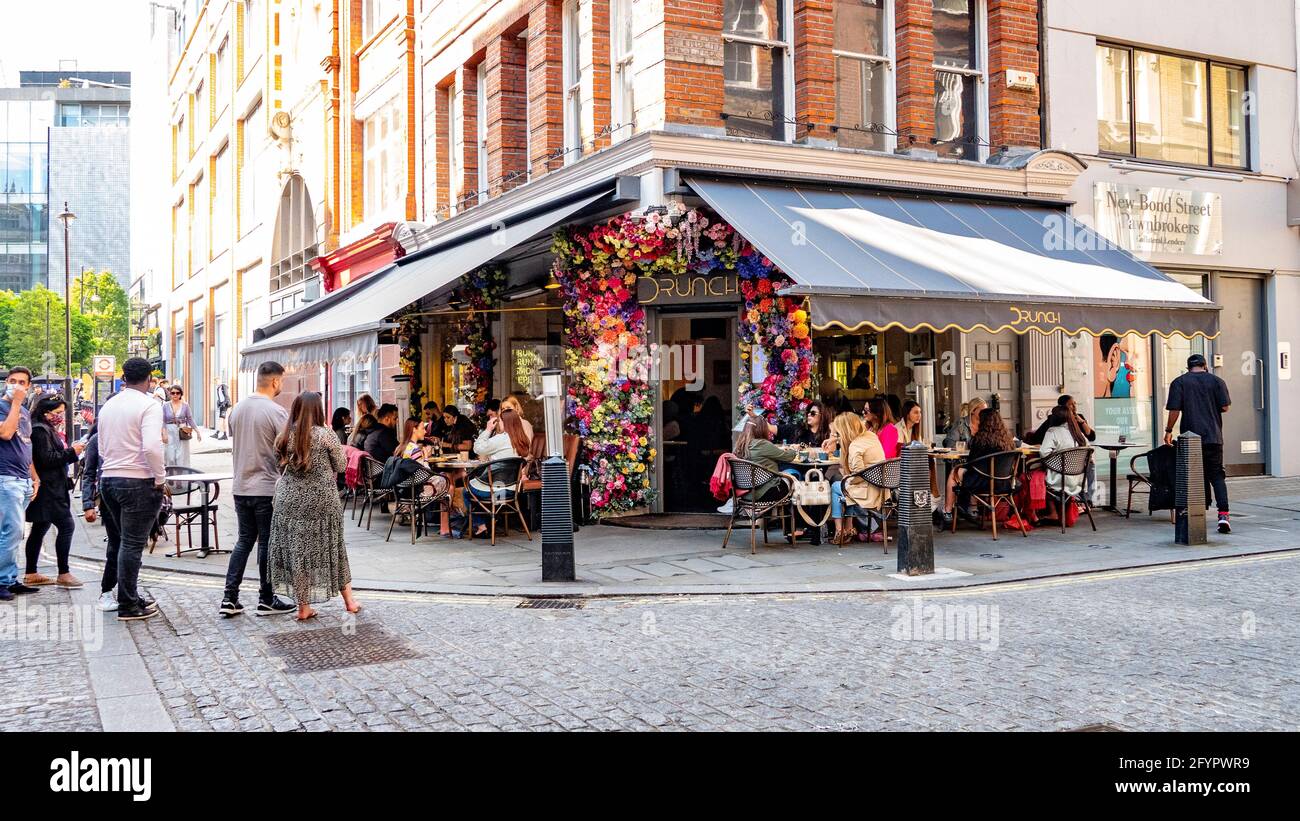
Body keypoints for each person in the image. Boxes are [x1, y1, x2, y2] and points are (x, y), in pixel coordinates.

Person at [267, 391, 360, 621]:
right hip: (322, 503)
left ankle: (303, 607)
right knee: (334, 548)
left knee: (299, 554)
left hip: (289, 503)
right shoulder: (325, 434)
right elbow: (340, 465)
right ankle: (349, 601)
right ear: (318, 410)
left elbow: (279, 466)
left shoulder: (284, 435)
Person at [219, 361, 297, 617]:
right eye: (282, 382)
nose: (281, 386)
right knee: (266, 542)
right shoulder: (276, 412)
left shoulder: (237, 409)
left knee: (243, 541)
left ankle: (230, 598)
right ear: (275, 381)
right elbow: (288, 449)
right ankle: (266, 598)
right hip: (265, 487)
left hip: (240, 486)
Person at [96, 357, 166, 620]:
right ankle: (127, 603)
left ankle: (130, 596)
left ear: (123, 378)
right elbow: (151, 446)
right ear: (149, 379)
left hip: (109, 480)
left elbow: (101, 446)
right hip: (138, 480)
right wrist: (160, 477)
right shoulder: (149, 405)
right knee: (132, 544)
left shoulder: (109, 405)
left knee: (122, 541)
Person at [1164, 353, 1232, 533]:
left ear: (1188, 368)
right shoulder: (1217, 382)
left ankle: (1194, 513)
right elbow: (1225, 407)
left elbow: (1174, 410)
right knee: (1217, 476)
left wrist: (1168, 431)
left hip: (1190, 438)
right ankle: (1223, 516)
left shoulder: (1179, 382)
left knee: (1192, 476)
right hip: (1213, 437)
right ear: (1205, 366)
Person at [22, 395, 85, 588]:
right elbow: (46, 459)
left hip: (48, 486)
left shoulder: (42, 428)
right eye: (57, 413)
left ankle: (31, 573)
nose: (60, 416)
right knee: (66, 526)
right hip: (50, 488)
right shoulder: (40, 431)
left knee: (40, 528)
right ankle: (63, 573)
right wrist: (72, 452)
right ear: (45, 412)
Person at [0, 366, 40, 601]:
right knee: (11, 531)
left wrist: (34, 476)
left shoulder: (24, 412)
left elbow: (26, 445)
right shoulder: (7, 407)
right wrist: (15, 404)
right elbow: (5, 433)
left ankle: (9, 578)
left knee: (14, 533)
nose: (16, 385)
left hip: (22, 479)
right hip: (5, 478)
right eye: (12, 380)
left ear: (28, 387)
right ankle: (2, 580)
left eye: (21, 382)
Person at [941, 408, 1014, 528]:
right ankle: (972, 508)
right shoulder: (1008, 440)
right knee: (969, 472)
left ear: (983, 422)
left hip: (982, 483)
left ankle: (947, 511)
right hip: (1005, 483)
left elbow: (971, 463)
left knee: (955, 472)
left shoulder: (980, 440)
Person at [464, 408, 531, 538]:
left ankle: (482, 525)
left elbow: (478, 449)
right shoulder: (522, 440)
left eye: (499, 421)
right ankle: (492, 518)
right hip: (512, 490)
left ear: (504, 423)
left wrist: (488, 429)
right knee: (476, 490)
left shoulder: (501, 439)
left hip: (495, 489)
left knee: (466, 491)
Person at [826, 412, 881, 545]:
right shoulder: (870, 435)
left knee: (836, 486)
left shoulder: (855, 446)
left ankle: (840, 531)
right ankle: (848, 528)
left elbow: (857, 474)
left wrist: (848, 480)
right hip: (881, 488)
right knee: (845, 485)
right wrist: (836, 439)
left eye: (838, 432)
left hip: (869, 491)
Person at [1036, 404, 1090, 521]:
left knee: (1036, 476)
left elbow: (1043, 453)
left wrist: (1054, 463)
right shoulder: (1078, 433)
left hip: (1060, 479)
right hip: (1078, 479)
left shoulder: (1053, 431)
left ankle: (1052, 512)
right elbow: (1088, 452)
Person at [1023, 394, 1096, 446]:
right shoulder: (1054, 418)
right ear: (1062, 407)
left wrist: (1082, 422)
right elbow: (1038, 437)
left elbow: (1092, 437)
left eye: (1074, 404)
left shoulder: (1079, 418)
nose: (1074, 406)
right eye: (1070, 404)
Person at [161, 384, 201, 467]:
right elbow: (163, 420)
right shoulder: (165, 405)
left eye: (177, 393)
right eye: (173, 393)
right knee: (170, 455)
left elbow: (190, 419)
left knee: (181, 456)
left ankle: (182, 478)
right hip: (169, 431)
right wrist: (163, 433)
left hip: (182, 431)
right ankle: (171, 477)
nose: (175, 395)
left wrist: (197, 432)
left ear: (180, 394)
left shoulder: (185, 405)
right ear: (170, 394)